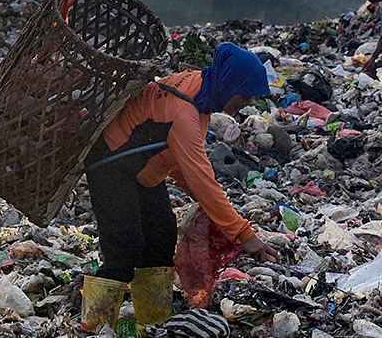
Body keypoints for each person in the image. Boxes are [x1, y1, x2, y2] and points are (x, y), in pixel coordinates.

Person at [81, 42, 281, 330]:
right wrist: (242, 233)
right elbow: (201, 175)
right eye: (244, 94)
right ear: (228, 83)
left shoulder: (201, 93)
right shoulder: (184, 112)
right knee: (124, 246)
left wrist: (203, 202)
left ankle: (154, 323)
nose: (247, 103)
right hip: (111, 164)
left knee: (161, 239)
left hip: (144, 170)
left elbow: (180, 160)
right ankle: (93, 327)